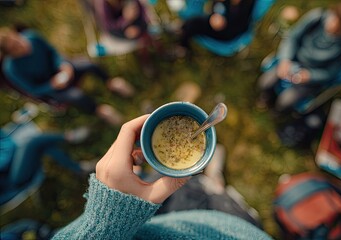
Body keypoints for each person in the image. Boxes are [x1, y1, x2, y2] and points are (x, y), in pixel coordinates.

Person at [51, 115, 273, 239]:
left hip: (169, 222)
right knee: (213, 194)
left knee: (178, 185)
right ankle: (215, 183)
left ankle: (209, 181)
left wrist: (107, 218)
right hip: (235, 228)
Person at [0, 27, 135, 126]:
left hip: (60, 68)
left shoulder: (31, 37)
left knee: (90, 64)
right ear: (10, 54)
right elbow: (32, 90)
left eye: (17, 39)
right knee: (77, 96)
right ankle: (100, 110)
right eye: (15, 47)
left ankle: (110, 82)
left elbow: (52, 51)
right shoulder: (11, 69)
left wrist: (62, 64)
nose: (21, 44)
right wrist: (51, 85)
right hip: (51, 86)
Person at [257, 0, 341, 113]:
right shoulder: (317, 17)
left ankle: (276, 112)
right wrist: (285, 60)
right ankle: (266, 98)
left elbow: (331, 72)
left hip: (310, 78)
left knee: (285, 102)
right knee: (264, 83)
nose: (333, 26)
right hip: (292, 61)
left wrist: (309, 76)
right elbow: (292, 38)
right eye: (335, 19)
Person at [0, 104, 94, 195]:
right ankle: (70, 137)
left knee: (43, 145)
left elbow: (5, 139)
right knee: (32, 142)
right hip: (14, 179)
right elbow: (5, 159)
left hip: (15, 164)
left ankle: (79, 168)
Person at [176, 0, 256, 56]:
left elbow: (237, 25)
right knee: (193, 22)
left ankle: (183, 47)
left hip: (227, 34)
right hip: (218, 23)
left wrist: (221, 22)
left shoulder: (246, 6)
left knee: (193, 23)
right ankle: (181, 31)